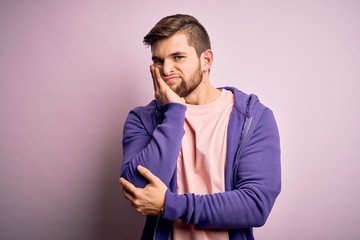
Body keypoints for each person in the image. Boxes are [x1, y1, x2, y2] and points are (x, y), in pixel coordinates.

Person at [119, 14, 281, 240]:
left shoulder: (252, 118)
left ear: (206, 60)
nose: (166, 70)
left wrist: (169, 204)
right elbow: (138, 189)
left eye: (177, 57)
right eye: (158, 60)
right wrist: (174, 113)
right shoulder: (143, 119)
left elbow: (255, 204)